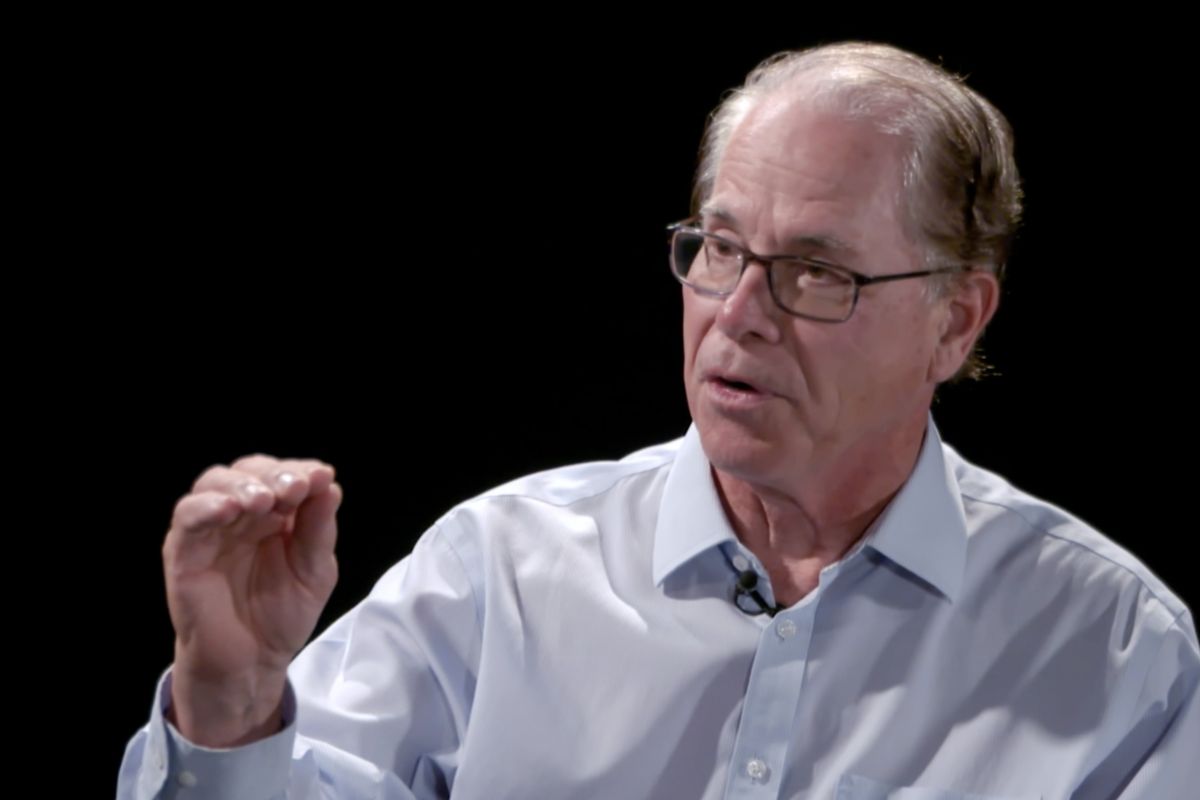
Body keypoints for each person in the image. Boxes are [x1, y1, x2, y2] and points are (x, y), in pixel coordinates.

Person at [119, 42, 1198, 799]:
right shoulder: (502, 570)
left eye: (815, 272)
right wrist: (232, 702)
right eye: (721, 248)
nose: (738, 315)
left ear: (954, 320)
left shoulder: (1108, 644)